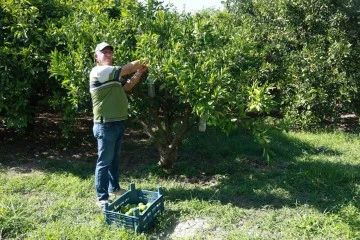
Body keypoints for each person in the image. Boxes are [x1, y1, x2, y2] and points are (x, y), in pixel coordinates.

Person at [89, 42, 148, 208]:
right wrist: (147, 57)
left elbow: (128, 86)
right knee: (104, 161)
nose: (108, 54)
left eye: (109, 52)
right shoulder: (99, 71)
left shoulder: (112, 75)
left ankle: (114, 188)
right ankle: (102, 197)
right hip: (105, 124)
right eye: (104, 52)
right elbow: (127, 69)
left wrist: (140, 72)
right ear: (96, 57)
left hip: (118, 122)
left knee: (114, 159)